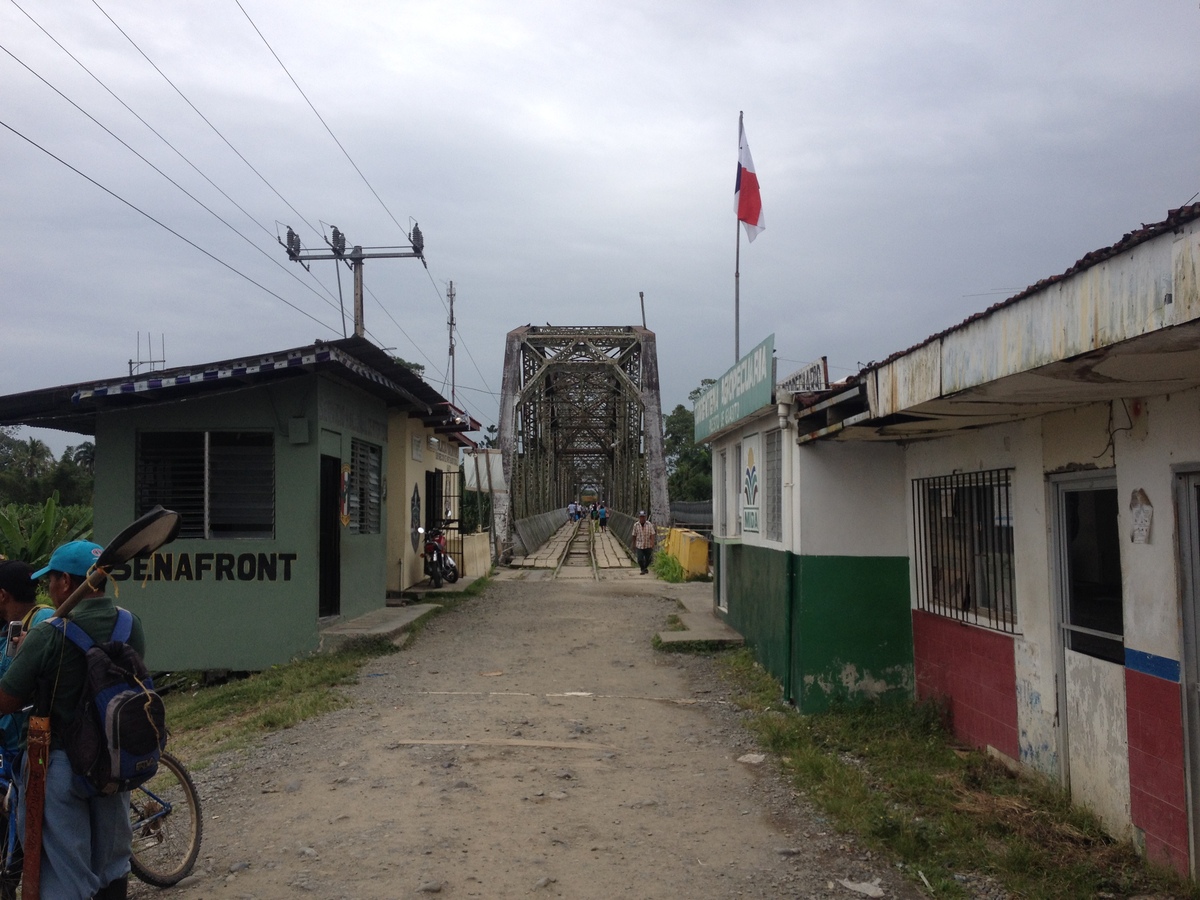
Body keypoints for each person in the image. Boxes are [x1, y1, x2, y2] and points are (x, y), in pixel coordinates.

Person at [0, 541, 145, 900]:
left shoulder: (48, 634)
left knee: (67, 872)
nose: (47, 588)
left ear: (66, 581)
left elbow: (7, 699)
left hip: (62, 764)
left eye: (50, 579)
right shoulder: (131, 625)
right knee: (113, 864)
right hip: (114, 760)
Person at [0, 560, 54, 900]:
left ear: (3, 595)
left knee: (33, 816)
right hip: (14, 737)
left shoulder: (44, 622)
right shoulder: (10, 626)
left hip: (38, 740)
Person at [632, 510, 656, 574]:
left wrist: (652, 542)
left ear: (645, 517)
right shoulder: (636, 525)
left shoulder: (649, 524)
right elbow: (634, 535)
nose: (642, 518)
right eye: (641, 517)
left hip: (647, 544)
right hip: (639, 545)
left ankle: (645, 568)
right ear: (639, 517)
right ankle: (642, 569)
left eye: (643, 517)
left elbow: (652, 533)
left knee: (649, 559)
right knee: (640, 559)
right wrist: (634, 544)